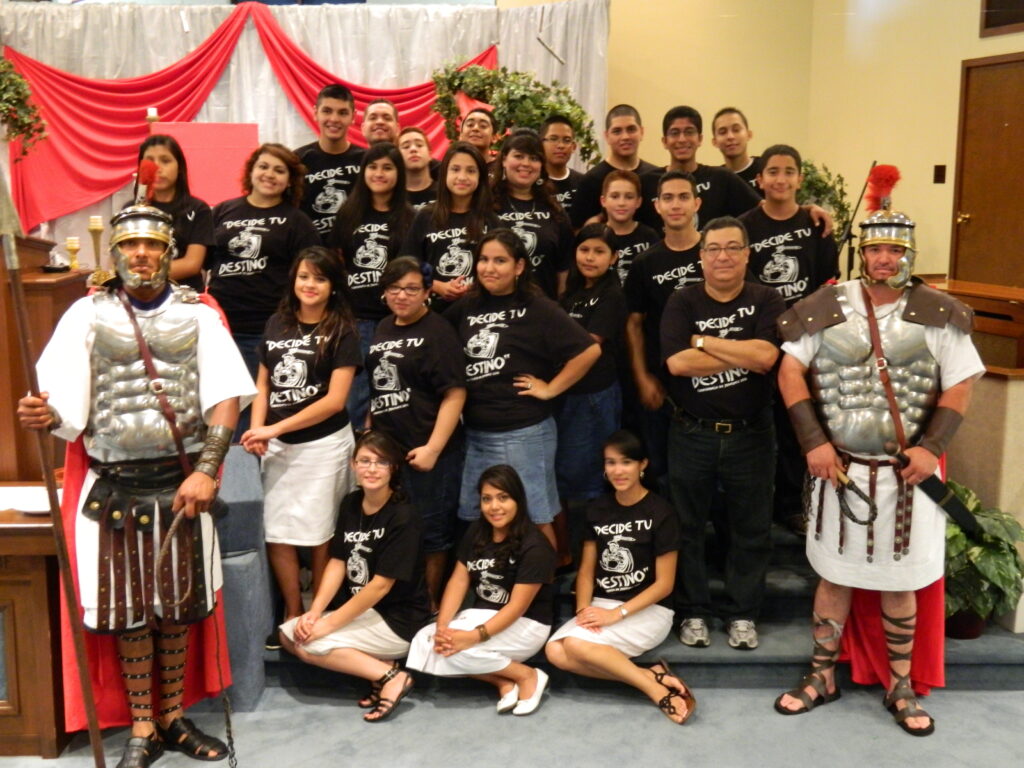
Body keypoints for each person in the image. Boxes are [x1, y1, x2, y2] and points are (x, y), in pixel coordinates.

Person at [18, 204, 255, 767]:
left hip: (180, 485)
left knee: (176, 609)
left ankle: (173, 716)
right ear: (115, 253)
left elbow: (226, 397)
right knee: (129, 612)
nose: (141, 254)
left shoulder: (198, 316)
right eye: (130, 246)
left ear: (169, 253)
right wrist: (41, 416)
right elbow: (59, 404)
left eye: (152, 244)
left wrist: (206, 470)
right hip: (112, 487)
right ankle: (143, 726)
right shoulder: (84, 314)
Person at [773, 197, 983, 736]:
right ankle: (822, 675)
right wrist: (812, 441)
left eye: (894, 250)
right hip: (838, 470)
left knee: (901, 581)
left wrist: (931, 448)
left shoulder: (938, 311)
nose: (884, 259)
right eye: (875, 249)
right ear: (861, 254)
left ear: (909, 254)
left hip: (908, 474)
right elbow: (790, 370)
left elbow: (959, 383)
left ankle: (901, 685)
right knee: (833, 578)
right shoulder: (828, 305)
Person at [661, 216, 785, 651]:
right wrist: (740, 351)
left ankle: (742, 614)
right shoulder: (682, 301)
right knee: (688, 526)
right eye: (713, 248)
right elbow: (677, 365)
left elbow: (767, 357)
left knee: (751, 528)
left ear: (748, 253)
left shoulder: (767, 297)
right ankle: (694, 611)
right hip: (692, 432)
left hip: (751, 434)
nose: (723, 256)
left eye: (733, 247)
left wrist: (703, 342)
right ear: (701, 257)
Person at [446, 229, 600, 547]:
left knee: (535, 515)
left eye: (500, 260)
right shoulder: (467, 306)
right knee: (478, 516)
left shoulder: (537, 306)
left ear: (518, 267)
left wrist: (551, 388)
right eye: (484, 260)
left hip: (524, 433)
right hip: (475, 433)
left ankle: (545, 591)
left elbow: (589, 350)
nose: (489, 268)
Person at [241, 246, 361, 632]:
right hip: (275, 443)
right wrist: (259, 431)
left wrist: (273, 429)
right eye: (304, 276)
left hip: (323, 445)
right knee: (278, 531)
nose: (310, 285)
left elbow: (335, 400)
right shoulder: (277, 322)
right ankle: (292, 609)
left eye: (320, 278)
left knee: (320, 531)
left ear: (333, 287)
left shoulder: (343, 330)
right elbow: (263, 383)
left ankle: (318, 612)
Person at [279, 431, 430, 723]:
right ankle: (382, 665)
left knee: (308, 644)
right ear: (353, 465)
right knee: (289, 633)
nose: (372, 469)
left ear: (393, 468)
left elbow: (380, 587)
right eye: (365, 461)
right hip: (364, 614)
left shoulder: (404, 516)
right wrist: (315, 612)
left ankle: (392, 677)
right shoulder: (351, 503)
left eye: (381, 462)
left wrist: (328, 625)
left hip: (398, 620)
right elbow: (338, 561)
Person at [546, 430, 695, 725]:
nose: (617, 470)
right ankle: (647, 674)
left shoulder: (661, 512)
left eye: (625, 462)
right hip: (601, 602)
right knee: (554, 652)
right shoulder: (597, 509)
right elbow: (587, 571)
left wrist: (617, 614)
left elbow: (665, 584)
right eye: (610, 463)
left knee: (573, 647)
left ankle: (654, 690)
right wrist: (582, 611)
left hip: (649, 609)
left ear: (643, 465)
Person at [739, 144, 839, 534]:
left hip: (806, 342)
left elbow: (828, 288)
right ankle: (758, 504)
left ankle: (795, 504)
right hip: (761, 339)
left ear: (799, 178)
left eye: (789, 171)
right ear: (759, 179)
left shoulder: (817, 225)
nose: (781, 179)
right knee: (760, 425)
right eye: (773, 172)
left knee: (798, 422)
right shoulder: (744, 225)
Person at [406, 465, 556, 716]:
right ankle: (502, 680)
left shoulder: (535, 545)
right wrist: (443, 625)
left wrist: (473, 636)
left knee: (461, 648)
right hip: (482, 614)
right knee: (427, 639)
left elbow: (517, 607)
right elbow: (458, 581)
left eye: (503, 498)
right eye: (487, 499)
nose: (494, 507)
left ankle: (528, 675)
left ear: (518, 499)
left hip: (526, 623)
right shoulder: (477, 531)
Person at [367, 257, 467, 609]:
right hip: (389, 452)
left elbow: (455, 393)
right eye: (394, 288)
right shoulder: (382, 326)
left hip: (429, 451)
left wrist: (434, 448)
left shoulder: (438, 331)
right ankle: (399, 603)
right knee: (396, 530)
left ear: (427, 292)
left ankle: (430, 607)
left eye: (411, 289)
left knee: (431, 534)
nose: (402, 296)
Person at [208, 143, 320, 380]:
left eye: (279, 170)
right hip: (220, 324)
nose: (269, 174)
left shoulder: (298, 222)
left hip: (268, 327)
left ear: (290, 180)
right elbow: (203, 262)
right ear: (251, 171)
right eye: (263, 166)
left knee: (257, 404)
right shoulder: (222, 211)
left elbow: (311, 276)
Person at [623, 171, 703, 487]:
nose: (676, 205)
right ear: (657, 206)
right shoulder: (646, 263)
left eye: (684, 197)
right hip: (663, 382)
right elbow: (633, 324)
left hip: (715, 379)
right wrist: (642, 377)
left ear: (697, 203)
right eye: (668, 198)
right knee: (664, 469)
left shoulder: (716, 252)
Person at [330, 141, 415, 429]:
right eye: (373, 166)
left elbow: (414, 267)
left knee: (393, 394)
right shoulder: (348, 213)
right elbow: (339, 262)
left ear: (399, 173)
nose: (379, 173)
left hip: (395, 319)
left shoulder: (410, 217)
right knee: (355, 397)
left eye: (388, 168)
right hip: (356, 318)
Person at [556, 224, 627, 553]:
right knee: (566, 476)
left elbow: (588, 345)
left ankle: (595, 552)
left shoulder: (612, 294)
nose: (590, 257)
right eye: (585, 249)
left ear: (614, 257)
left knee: (592, 478)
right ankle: (569, 551)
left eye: (599, 251)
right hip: (567, 395)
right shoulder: (572, 290)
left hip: (594, 397)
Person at [401, 141, 498, 314]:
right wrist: (436, 285)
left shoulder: (490, 219)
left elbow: (502, 265)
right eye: (455, 169)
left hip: (480, 311)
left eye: (471, 171)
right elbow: (409, 263)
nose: (462, 177)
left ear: (480, 177)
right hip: (434, 313)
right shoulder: (425, 216)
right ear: (445, 173)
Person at [638, 106, 762, 233]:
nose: (682, 139)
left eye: (689, 132)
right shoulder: (646, 183)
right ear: (664, 141)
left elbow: (762, 210)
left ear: (700, 139)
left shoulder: (722, 178)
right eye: (675, 133)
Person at [491, 131, 574, 299]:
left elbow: (564, 267)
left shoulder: (555, 210)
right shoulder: (486, 206)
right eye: (519, 156)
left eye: (534, 158)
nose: (526, 164)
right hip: (494, 307)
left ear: (542, 165)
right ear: (504, 160)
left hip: (543, 309)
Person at [135, 134, 213, 293]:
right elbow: (121, 259)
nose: (157, 168)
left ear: (179, 168)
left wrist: (145, 274)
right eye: (150, 160)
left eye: (165, 160)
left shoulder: (198, 209)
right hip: (140, 295)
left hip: (184, 296)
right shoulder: (132, 210)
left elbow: (192, 264)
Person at [295, 84, 365, 240]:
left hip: (354, 252)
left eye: (342, 113)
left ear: (353, 117)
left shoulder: (366, 161)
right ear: (315, 113)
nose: (334, 119)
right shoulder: (297, 161)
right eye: (327, 111)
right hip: (311, 253)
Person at [571, 105, 659, 228]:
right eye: (617, 131)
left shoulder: (656, 177)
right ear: (607, 136)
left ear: (642, 132)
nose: (625, 137)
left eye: (631, 129)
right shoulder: (591, 181)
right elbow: (578, 232)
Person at [596, 169, 660, 286]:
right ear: (603, 201)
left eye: (629, 197)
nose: (621, 203)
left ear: (638, 202)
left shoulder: (650, 236)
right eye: (615, 196)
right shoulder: (595, 235)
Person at [540, 114, 584, 223]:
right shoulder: (533, 182)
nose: (560, 145)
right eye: (553, 139)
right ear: (540, 144)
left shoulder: (583, 182)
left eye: (566, 140)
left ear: (573, 147)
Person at [711, 107, 762, 193]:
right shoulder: (715, 180)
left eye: (736, 130)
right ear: (714, 142)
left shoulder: (765, 169)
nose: (730, 136)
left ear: (749, 135)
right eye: (723, 132)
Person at [398, 126, 438, 209]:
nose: (413, 149)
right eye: (406, 146)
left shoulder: (445, 193)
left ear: (430, 154)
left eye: (419, 145)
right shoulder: (392, 196)